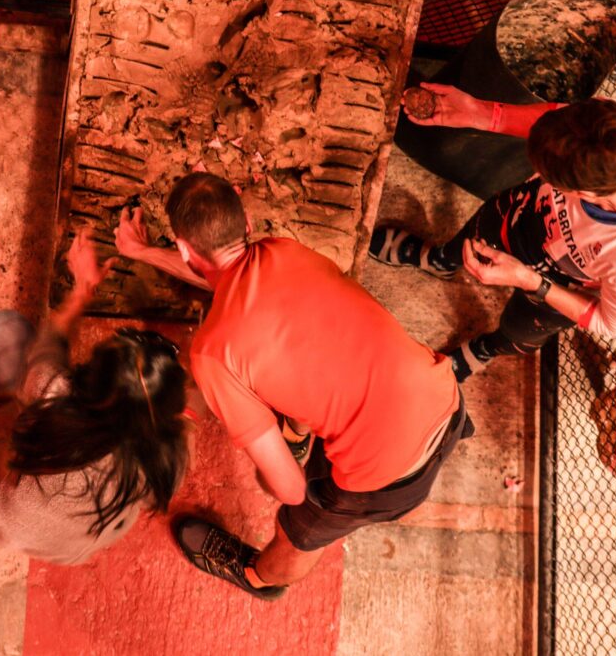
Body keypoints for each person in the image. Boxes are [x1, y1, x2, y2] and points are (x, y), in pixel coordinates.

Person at [114, 172, 472, 600]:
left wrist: (274, 454)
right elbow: (222, 275)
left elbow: (290, 488)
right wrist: (143, 251)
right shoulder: (283, 251)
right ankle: (299, 430)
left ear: (185, 248)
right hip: (444, 395)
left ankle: (260, 579)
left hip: (388, 476)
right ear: (246, 223)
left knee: (301, 527)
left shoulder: (212, 353)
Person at [370, 83, 616, 381]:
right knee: (474, 237)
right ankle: (441, 261)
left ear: (584, 193)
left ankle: (486, 349)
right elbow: (561, 117)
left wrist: (529, 280)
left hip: (560, 282)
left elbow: (611, 325)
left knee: (521, 330)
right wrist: (480, 113)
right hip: (523, 212)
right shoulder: (613, 124)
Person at [0, 229, 189, 564]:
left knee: (6, 333)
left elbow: (50, 346)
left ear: (86, 384)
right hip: (70, 547)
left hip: (2, 516)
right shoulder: (168, 456)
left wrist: (82, 290)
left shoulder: (52, 391)